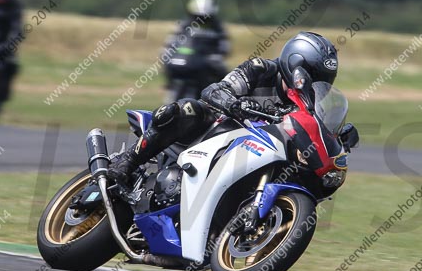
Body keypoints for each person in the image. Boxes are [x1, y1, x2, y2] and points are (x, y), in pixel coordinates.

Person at [106, 31, 339, 186]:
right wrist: (235, 104)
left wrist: (338, 141)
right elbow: (214, 90)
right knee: (188, 109)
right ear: (295, 64)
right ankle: (128, 160)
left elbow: (315, 132)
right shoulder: (260, 70)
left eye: (323, 81)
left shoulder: (305, 106)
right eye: (313, 77)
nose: (314, 85)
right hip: (215, 131)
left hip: (254, 154)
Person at [163, 0, 230, 101]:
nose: (201, 20)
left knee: (225, 80)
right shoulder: (183, 26)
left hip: (200, 66)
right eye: (198, 17)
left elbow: (224, 48)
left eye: (205, 17)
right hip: (181, 66)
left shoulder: (217, 28)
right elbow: (170, 44)